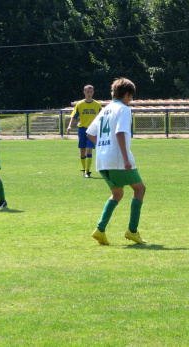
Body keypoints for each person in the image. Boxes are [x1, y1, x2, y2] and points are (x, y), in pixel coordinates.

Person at [86, 78, 146, 245]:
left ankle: (100, 229)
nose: (131, 100)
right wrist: (126, 159)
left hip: (102, 160)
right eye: (131, 97)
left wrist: (104, 146)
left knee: (117, 193)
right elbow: (120, 133)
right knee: (139, 189)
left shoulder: (105, 110)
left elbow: (90, 134)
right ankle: (132, 231)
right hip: (118, 159)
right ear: (127, 94)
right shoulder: (123, 110)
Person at [67, 85, 102, 178]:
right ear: (84, 92)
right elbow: (74, 116)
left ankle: (87, 171)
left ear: (93, 92)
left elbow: (102, 117)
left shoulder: (97, 105)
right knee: (82, 151)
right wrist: (70, 126)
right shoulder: (80, 104)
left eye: (91, 92)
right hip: (82, 129)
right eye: (87, 91)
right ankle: (84, 169)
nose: (89, 93)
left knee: (89, 149)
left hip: (93, 130)